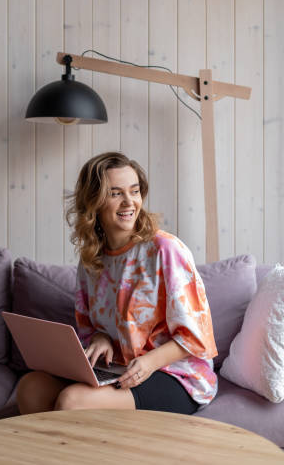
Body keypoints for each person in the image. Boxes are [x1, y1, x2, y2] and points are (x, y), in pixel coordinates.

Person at [16, 151, 218, 415]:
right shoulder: (92, 259)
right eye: (115, 194)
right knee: (31, 387)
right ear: (94, 202)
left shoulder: (165, 250)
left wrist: (148, 362)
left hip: (176, 375)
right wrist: (100, 338)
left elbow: (197, 337)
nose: (129, 202)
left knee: (73, 402)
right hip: (119, 369)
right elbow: (88, 325)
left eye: (134, 191)